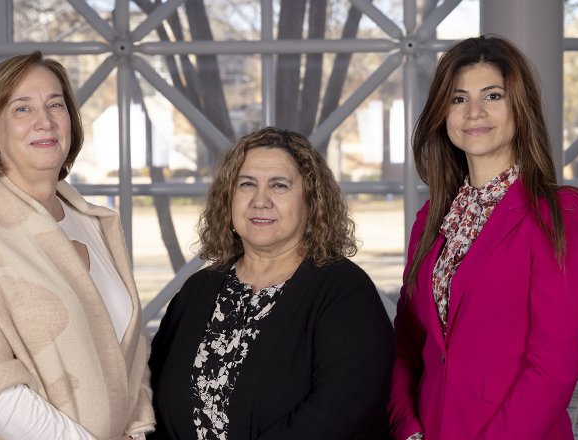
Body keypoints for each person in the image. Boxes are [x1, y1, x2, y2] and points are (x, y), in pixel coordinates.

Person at [0, 52, 154, 440]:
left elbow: (130, 355)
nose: (45, 120)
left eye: (55, 104)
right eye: (22, 109)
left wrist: (135, 430)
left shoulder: (94, 224)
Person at [387, 35, 578, 439]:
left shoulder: (560, 214)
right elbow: (406, 351)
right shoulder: (431, 220)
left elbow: (552, 370)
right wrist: (407, 428)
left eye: (493, 95)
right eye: (458, 99)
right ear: (442, 113)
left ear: (520, 108)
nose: (475, 113)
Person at [148, 127, 395, 440]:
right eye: (247, 184)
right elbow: (153, 396)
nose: (259, 200)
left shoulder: (345, 293)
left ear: (311, 201)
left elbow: (338, 416)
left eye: (279, 185)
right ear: (228, 198)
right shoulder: (198, 290)